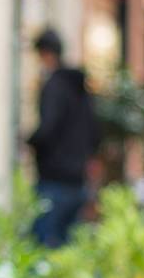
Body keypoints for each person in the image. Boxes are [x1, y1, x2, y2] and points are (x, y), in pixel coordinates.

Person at [28, 28, 98, 247]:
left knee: (43, 247)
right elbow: (95, 132)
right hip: (78, 181)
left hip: (53, 179)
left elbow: (48, 127)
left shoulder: (54, 86)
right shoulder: (81, 88)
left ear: (45, 54)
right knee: (69, 250)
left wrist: (31, 141)